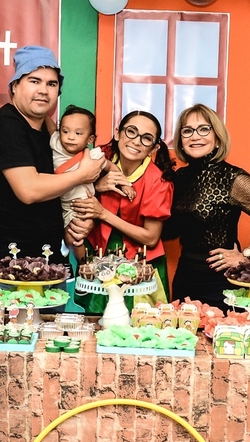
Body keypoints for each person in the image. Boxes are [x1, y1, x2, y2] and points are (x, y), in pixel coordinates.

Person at [0, 45, 130, 265]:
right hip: (11, 265)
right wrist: (83, 175)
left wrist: (84, 215)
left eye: (51, 84)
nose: (43, 90)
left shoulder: (51, 133)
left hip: (50, 259)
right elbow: (29, 190)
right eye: (34, 81)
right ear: (14, 86)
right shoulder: (5, 125)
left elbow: (60, 183)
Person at [166, 104, 250, 308]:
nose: (195, 136)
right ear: (181, 140)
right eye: (187, 131)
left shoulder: (232, 178)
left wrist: (247, 255)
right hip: (185, 276)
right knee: (181, 328)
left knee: (222, 329)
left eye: (204, 129)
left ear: (217, 137)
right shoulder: (180, 177)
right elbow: (172, 229)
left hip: (220, 280)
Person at [71, 111, 175, 310]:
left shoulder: (159, 181)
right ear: (117, 133)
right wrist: (97, 186)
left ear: (154, 148)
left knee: (136, 322)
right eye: (131, 131)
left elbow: (151, 238)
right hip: (98, 257)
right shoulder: (96, 159)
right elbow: (66, 187)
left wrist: (103, 213)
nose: (136, 141)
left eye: (146, 138)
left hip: (140, 262)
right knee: (97, 320)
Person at [52, 105, 104, 228]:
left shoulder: (92, 155)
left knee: (75, 234)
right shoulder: (56, 143)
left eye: (78, 133)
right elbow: (48, 123)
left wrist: (124, 182)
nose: (70, 137)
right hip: (58, 203)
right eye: (65, 131)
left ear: (90, 139)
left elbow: (109, 166)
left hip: (80, 206)